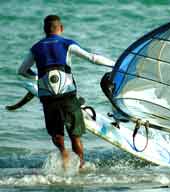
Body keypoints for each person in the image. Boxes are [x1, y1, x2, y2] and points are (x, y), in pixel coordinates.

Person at [18, 15, 114, 169]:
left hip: (47, 97)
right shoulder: (67, 43)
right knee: (75, 135)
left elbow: (22, 71)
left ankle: (64, 154)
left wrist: (38, 76)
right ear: (61, 28)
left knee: (57, 133)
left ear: (44, 30)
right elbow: (93, 58)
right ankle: (81, 165)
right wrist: (115, 65)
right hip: (67, 95)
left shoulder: (35, 48)